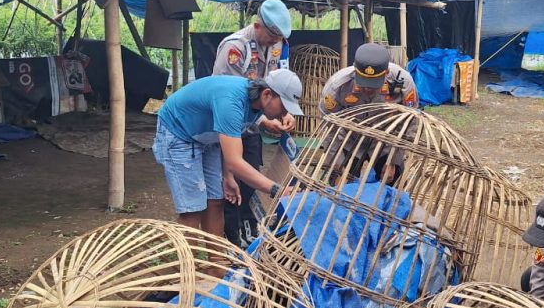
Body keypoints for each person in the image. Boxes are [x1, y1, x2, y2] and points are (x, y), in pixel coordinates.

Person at [153, 70, 304, 238]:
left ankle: (216, 255)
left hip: (208, 136)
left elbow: (231, 142)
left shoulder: (257, 104)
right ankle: (187, 255)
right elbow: (235, 161)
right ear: (267, 94)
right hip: (179, 131)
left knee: (216, 202)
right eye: (284, 107)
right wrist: (276, 189)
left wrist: (228, 176)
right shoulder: (231, 102)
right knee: (192, 211)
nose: (284, 113)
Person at [211, 0, 294, 246]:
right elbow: (226, 99)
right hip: (229, 123)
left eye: (279, 38)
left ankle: (249, 229)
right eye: (272, 36)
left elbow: (278, 85)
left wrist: (284, 112)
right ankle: (230, 237)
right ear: (258, 26)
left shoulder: (277, 45)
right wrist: (265, 121)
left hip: (252, 123)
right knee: (230, 179)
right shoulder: (235, 49)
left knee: (250, 178)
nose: (275, 42)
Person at [319, 43, 419, 184]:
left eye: (373, 84)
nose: (367, 89)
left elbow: (410, 122)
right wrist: (337, 164)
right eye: (363, 83)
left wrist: (393, 159)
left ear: (386, 73)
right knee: (340, 184)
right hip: (349, 140)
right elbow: (329, 128)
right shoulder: (337, 87)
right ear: (355, 71)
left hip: (385, 142)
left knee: (390, 180)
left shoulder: (404, 83)